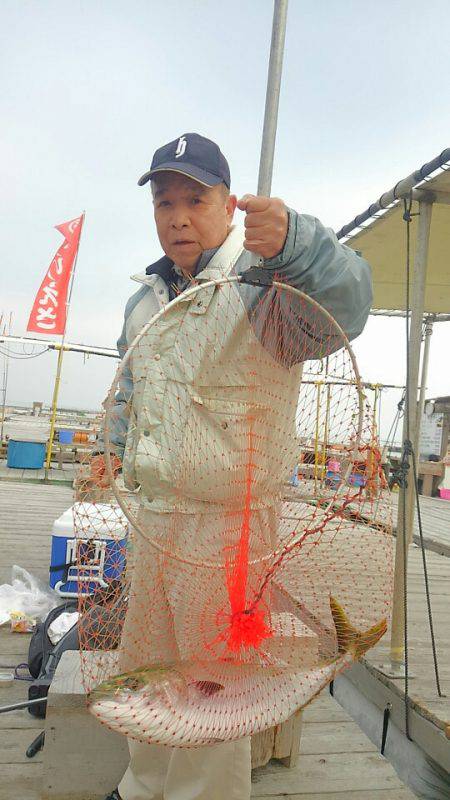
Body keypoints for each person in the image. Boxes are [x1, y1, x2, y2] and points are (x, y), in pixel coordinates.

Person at [92, 132, 372, 800]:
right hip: (155, 521)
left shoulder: (270, 287)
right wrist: (110, 445)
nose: (178, 216)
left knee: (217, 688)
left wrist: (297, 241)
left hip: (230, 534)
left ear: (228, 204)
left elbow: (350, 306)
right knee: (149, 670)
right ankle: (143, 783)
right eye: (164, 201)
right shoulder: (145, 298)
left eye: (195, 198)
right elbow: (132, 389)